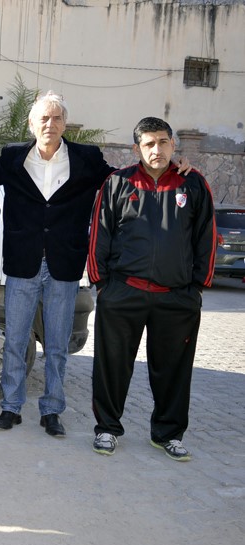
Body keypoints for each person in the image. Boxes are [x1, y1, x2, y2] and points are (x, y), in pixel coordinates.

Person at [87, 117, 216, 460]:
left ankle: (168, 434)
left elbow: (206, 239)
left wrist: (197, 289)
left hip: (176, 299)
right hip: (123, 293)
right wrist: (102, 285)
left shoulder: (194, 184)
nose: (156, 149)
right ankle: (107, 429)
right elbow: (99, 235)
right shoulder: (117, 183)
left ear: (173, 144)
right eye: (148, 143)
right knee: (112, 366)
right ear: (137, 148)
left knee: (173, 371)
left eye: (162, 142)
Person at [0, 91, 114, 437]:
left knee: (57, 345)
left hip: (64, 263)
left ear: (65, 124)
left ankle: (52, 410)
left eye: (57, 118)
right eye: (44, 118)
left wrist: (163, 169)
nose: (50, 124)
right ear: (32, 124)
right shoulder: (12, 158)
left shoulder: (86, 158)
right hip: (22, 263)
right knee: (14, 339)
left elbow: (119, 180)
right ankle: (11, 407)